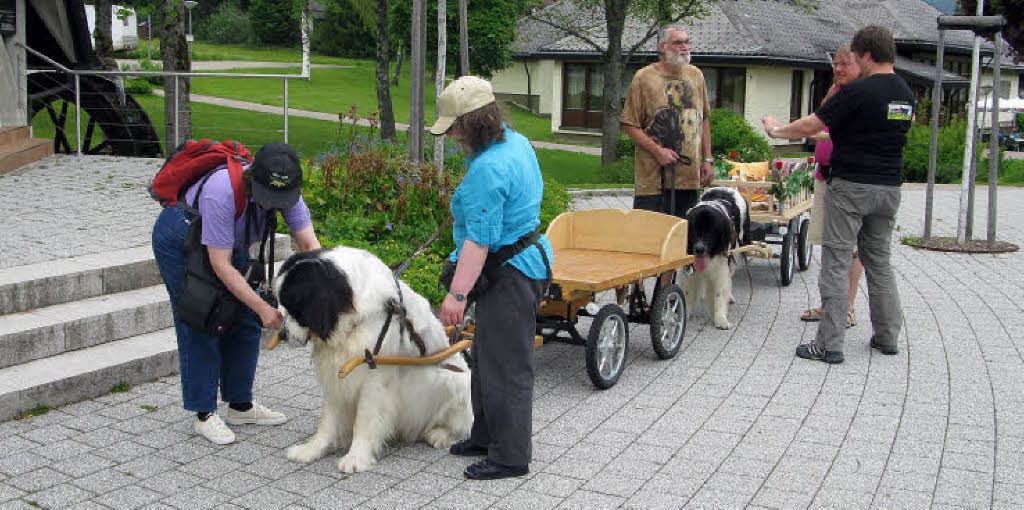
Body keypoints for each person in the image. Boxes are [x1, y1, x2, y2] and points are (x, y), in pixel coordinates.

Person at [152, 142, 321, 444]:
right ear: (253, 179)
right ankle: (204, 414)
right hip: (182, 236)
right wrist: (264, 308)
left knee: (245, 319)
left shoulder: (288, 194)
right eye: (267, 198)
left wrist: (323, 294)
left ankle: (240, 405)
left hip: (229, 242)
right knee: (200, 317)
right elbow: (221, 265)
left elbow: (311, 247)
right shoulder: (222, 191)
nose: (272, 204)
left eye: (279, 199)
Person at [762, 25, 913, 364]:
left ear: (868, 55)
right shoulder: (906, 91)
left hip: (851, 187)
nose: (854, 63)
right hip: (889, 188)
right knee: (880, 263)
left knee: (836, 260)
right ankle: (887, 336)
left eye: (856, 56)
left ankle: (828, 344)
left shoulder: (857, 91)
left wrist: (776, 130)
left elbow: (812, 126)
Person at [433, 76, 553, 480]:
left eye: (453, 126)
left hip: (513, 271)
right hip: (516, 261)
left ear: (473, 122)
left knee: (507, 368)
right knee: (486, 357)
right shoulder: (512, 140)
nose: (449, 134)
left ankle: (510, 457)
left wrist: (456, 296)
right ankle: (484, 435)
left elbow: (479, 243)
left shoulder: (490, 167)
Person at [798, 44, 865, 329]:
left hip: (848, 181)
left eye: (843, 64)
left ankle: (846, 308)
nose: (837, 69)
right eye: (835, 64)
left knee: (849, 249)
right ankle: (828, 303)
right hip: (825, 177)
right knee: (828, 245)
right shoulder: (836, 92)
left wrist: (817, 134)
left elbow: (832, 132)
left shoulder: (863, 94)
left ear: (860, 65)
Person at [621, 25, 714, 219]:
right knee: (650, 239)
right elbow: (629, 124)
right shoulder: (644, 77)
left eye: (687, 42)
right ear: (663, 47)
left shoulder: (696, 75)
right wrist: (658, 151)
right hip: (653, 180)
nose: (685, 47)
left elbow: (703, 118)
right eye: (678, 42)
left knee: (684, 237)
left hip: (688, 178)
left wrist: (708, 159)